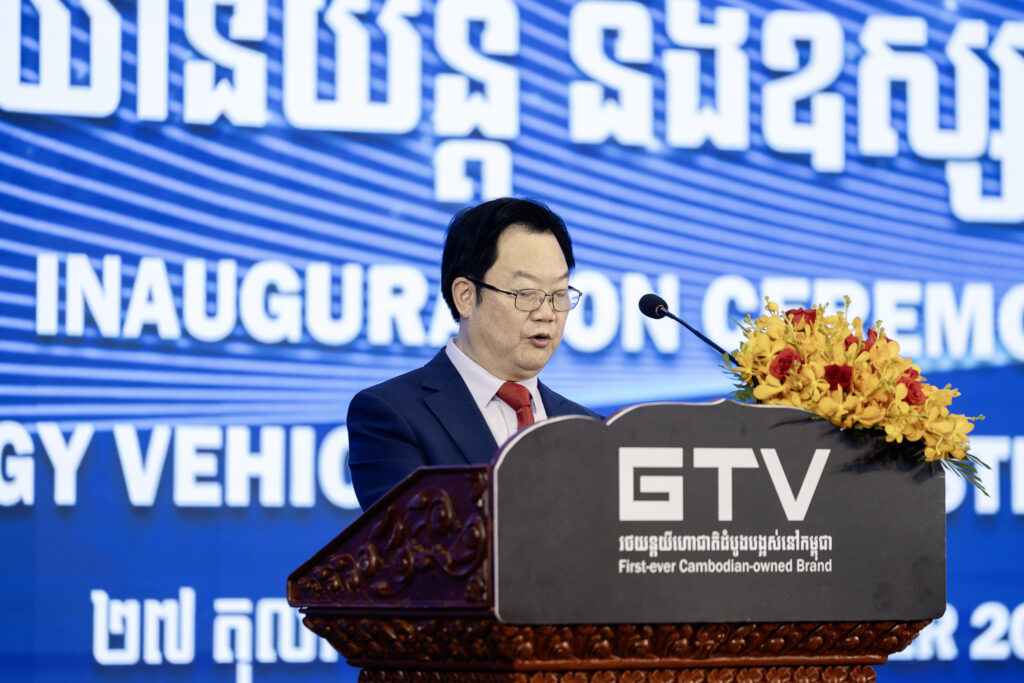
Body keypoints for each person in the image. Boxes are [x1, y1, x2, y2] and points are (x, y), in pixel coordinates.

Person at [347, 197, 600, 509]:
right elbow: (416, 535)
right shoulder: (391, 416)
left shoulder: (591, 429)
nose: (547, 313)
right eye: (526, 293)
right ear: (466, 297)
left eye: (559, 294)